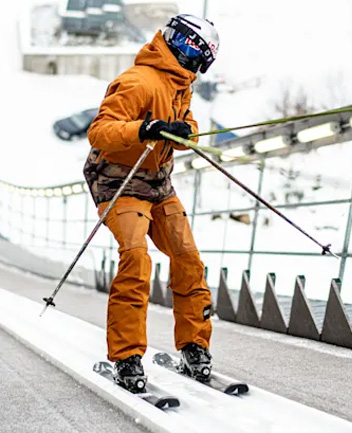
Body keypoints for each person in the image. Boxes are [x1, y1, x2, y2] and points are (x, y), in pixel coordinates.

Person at [84, 14, 220, 392]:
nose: (190, 55)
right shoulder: (137, 81)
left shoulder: (181, 84)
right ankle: (127, 355)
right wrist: (145, 129)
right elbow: (100, 131)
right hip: (119, 182)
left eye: (198, 54)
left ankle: (194, 345)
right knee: (136, 256)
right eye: (187, 45)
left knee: (188, 258)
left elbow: (186, 125)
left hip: (158, 184)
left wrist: (183, 132)